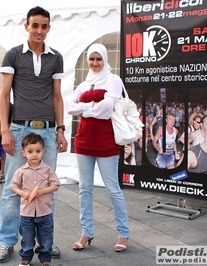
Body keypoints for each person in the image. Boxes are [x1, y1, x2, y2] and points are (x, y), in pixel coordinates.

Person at [0, 6, 67, 263]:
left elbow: (57, 96)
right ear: (26, 26)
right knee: (12, 188)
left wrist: (60, 129)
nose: (39, 30)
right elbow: (4, 96)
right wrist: (5, 130)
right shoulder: (13, 55)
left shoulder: (56, 57)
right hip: (20, 129)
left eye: (44, 26)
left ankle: (44, 243)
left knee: (47, 189)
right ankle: (6, 242)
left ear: (49, 28)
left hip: (48, 130)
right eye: (35, 25)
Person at [66, 43, 129, 253]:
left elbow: (107, 108)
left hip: (106, 143)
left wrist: (85, 110)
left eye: (98, 59)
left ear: (105, 59)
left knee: (113, 189)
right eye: (91, 59)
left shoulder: (114, 80)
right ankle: (86, 231)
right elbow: (70, 108)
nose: (94, 63)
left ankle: (123, 234)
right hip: (83, 141)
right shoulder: (84, 84)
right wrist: (91, 107)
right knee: (84, 189)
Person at [11, 133, 61, 266]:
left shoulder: (47, 170)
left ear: (43, 152)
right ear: (23, 153)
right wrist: (22, 193)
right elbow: (13, 186)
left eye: (38, 151)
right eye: (30, 151)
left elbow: (56, 185)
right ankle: (26, 257)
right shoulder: (21, 171)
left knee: (46, 238)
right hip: (26, 213)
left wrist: (43, 191)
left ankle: (45, 259)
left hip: (45, 212)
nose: (34, 155)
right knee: (27, 238)